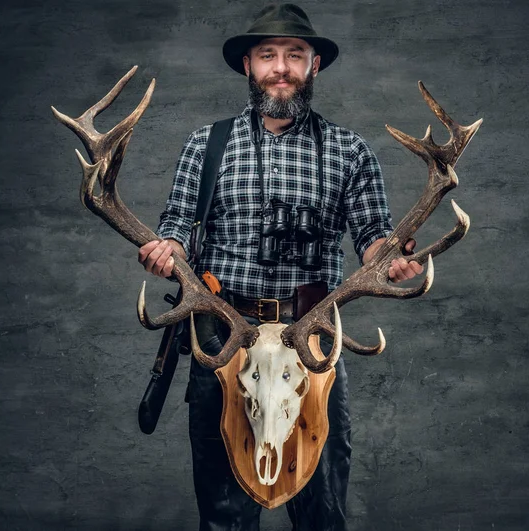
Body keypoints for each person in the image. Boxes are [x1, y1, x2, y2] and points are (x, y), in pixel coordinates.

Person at [138, 4, 423, 530]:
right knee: (225, 512)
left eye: (295, 55)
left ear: (315, 65)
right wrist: (166, 249)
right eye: (268, 55)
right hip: (223, 339)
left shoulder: (349, 151)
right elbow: (177, 224)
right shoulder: (207, 145)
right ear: (248, 65)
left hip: (309, 340)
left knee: (322, 508)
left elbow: (372, 236)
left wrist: (391, 260)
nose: (282, 68)